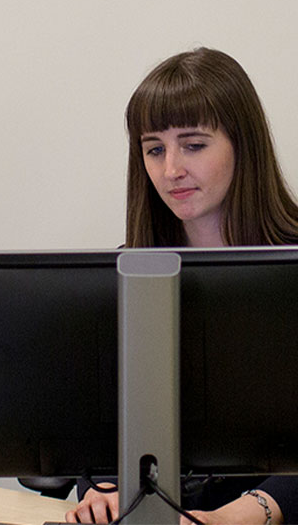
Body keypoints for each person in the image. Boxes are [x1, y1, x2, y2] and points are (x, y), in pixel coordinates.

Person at [67, 47, 298, 524]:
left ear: (243, 145)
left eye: (193, 145)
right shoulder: (125, 275)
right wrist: (103, 489)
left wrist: (237, 517)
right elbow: (96, 423)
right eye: (154, 149)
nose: (170, 169)